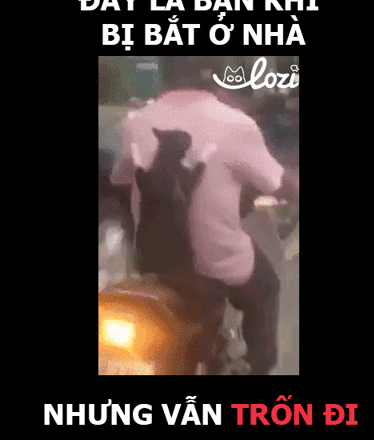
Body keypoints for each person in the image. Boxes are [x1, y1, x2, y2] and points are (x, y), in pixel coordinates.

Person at [111, 74, 299, 375]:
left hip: (151, 262)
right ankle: (257, 366)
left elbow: (119, 179)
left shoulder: (136, 122)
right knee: (266, 288)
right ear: (216, 84)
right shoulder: (236, 123)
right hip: (215, 265)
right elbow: (279, 184)